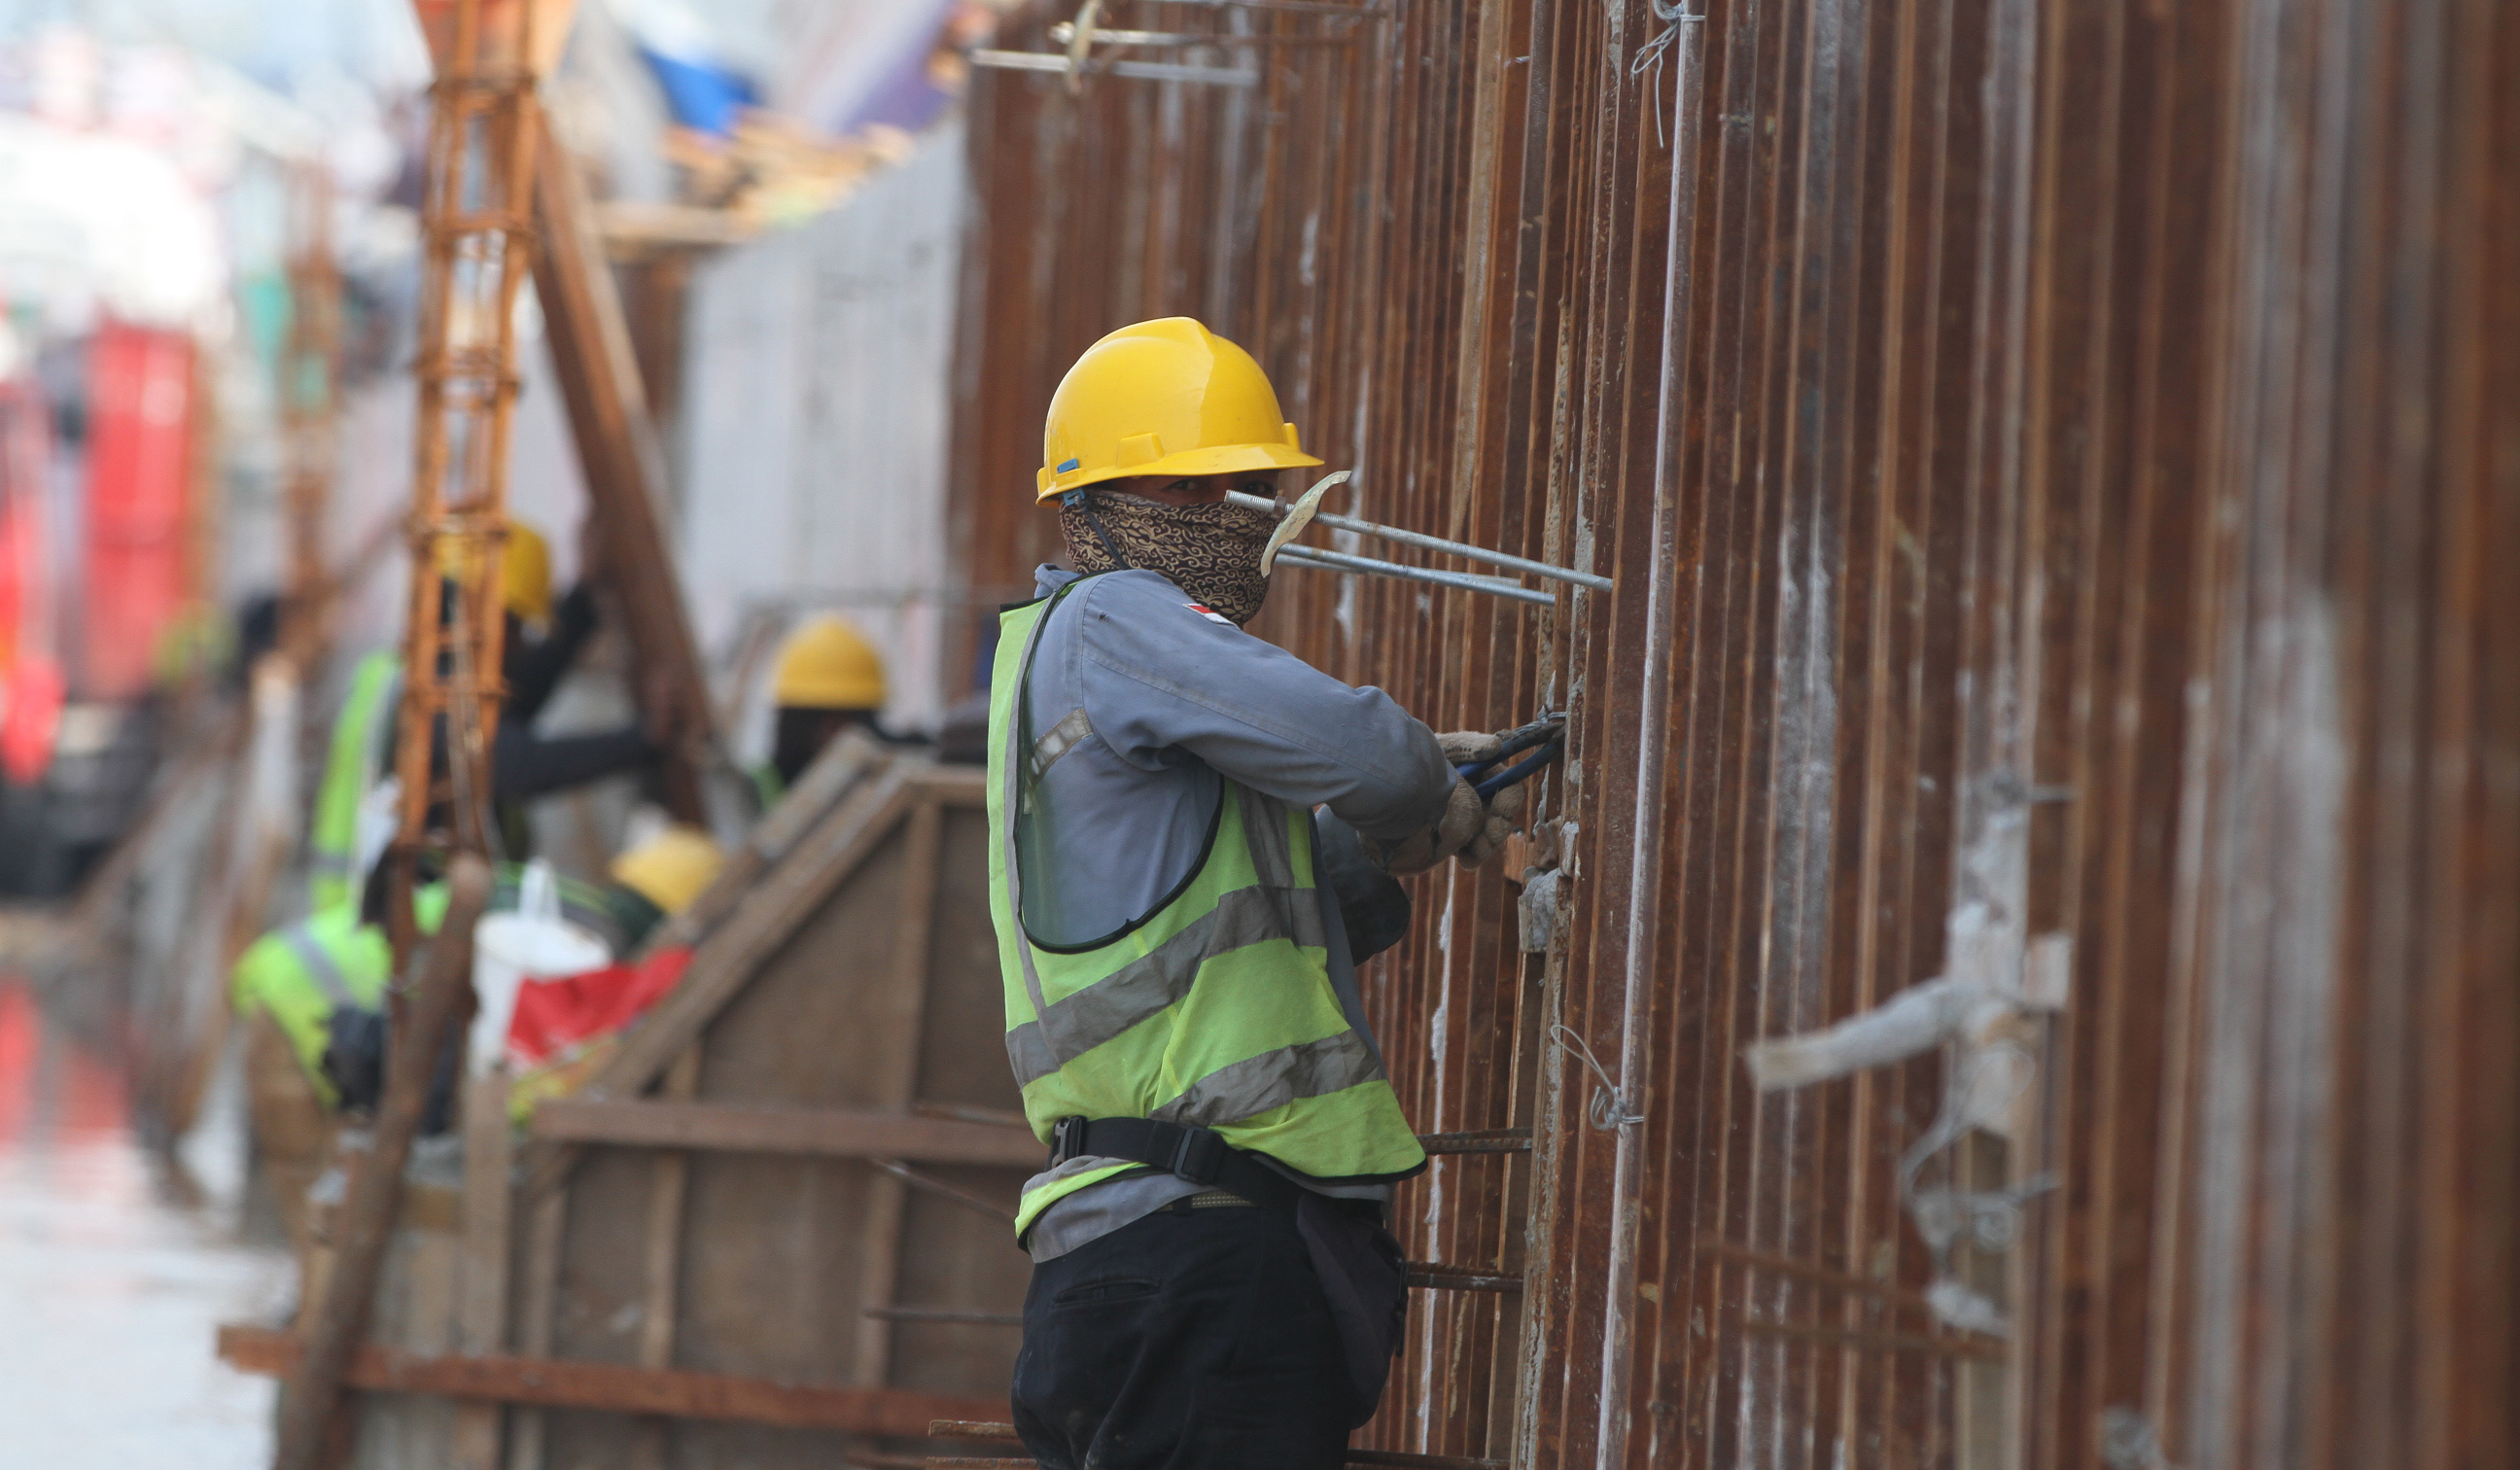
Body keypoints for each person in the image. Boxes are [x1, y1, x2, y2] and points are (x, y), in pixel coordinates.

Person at [987, 317, 1524, 1470]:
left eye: (1245, 491)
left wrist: (1370, 846)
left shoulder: (1050, 672)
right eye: (1188, 490)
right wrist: (1415, 788)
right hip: (1198, 1255)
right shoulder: (1113, 614)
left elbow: (1212, 924)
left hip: (1117, 1268)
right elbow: (1370, 756)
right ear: (1089, 508)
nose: (1226, 518)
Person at [753, 613, 892, 805]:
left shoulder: (882, 792)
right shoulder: (752, 791)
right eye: (824, 722)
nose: (833, 738)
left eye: (846, 723)